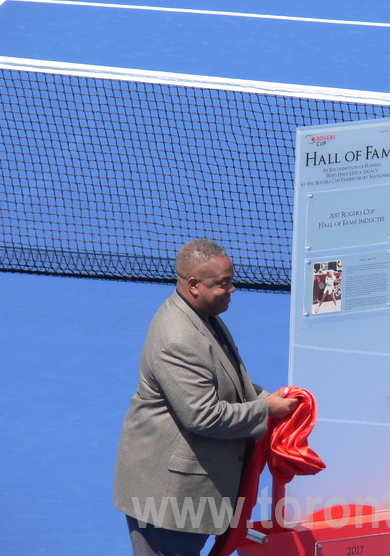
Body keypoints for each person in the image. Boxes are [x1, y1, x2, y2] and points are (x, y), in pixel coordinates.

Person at [113, 238, 298, 556]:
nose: (233, 289)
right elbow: (203, 415)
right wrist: (265, 409)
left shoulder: (203, 316)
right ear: (194, 284)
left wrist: (273, 399)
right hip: (168, 501)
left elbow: (230, 382)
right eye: (223, 283)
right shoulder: (178, 338)